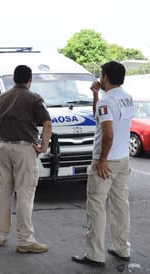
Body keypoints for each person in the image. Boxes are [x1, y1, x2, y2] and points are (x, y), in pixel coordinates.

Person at [0, 65, 52, 253]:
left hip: (4, 148)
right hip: (24, 149)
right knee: (25, 195)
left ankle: (0, 235)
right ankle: (25, 240)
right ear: (30, 80)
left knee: (3, 193)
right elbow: (47, 123)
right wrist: (43, 147)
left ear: (14, 79)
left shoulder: (2, 97)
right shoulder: (34, 98)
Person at [72, 61, 134, 267]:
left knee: (96, 206)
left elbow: (107, 133)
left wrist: (102, 159)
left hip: (107, 161)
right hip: (123, 159)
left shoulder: (107, 102)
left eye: (101, 74)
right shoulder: (126, 98)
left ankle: (95, 254)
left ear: (106, 76)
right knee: (120, 205)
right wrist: (96, 96)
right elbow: (102, 119)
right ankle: (121, 247)